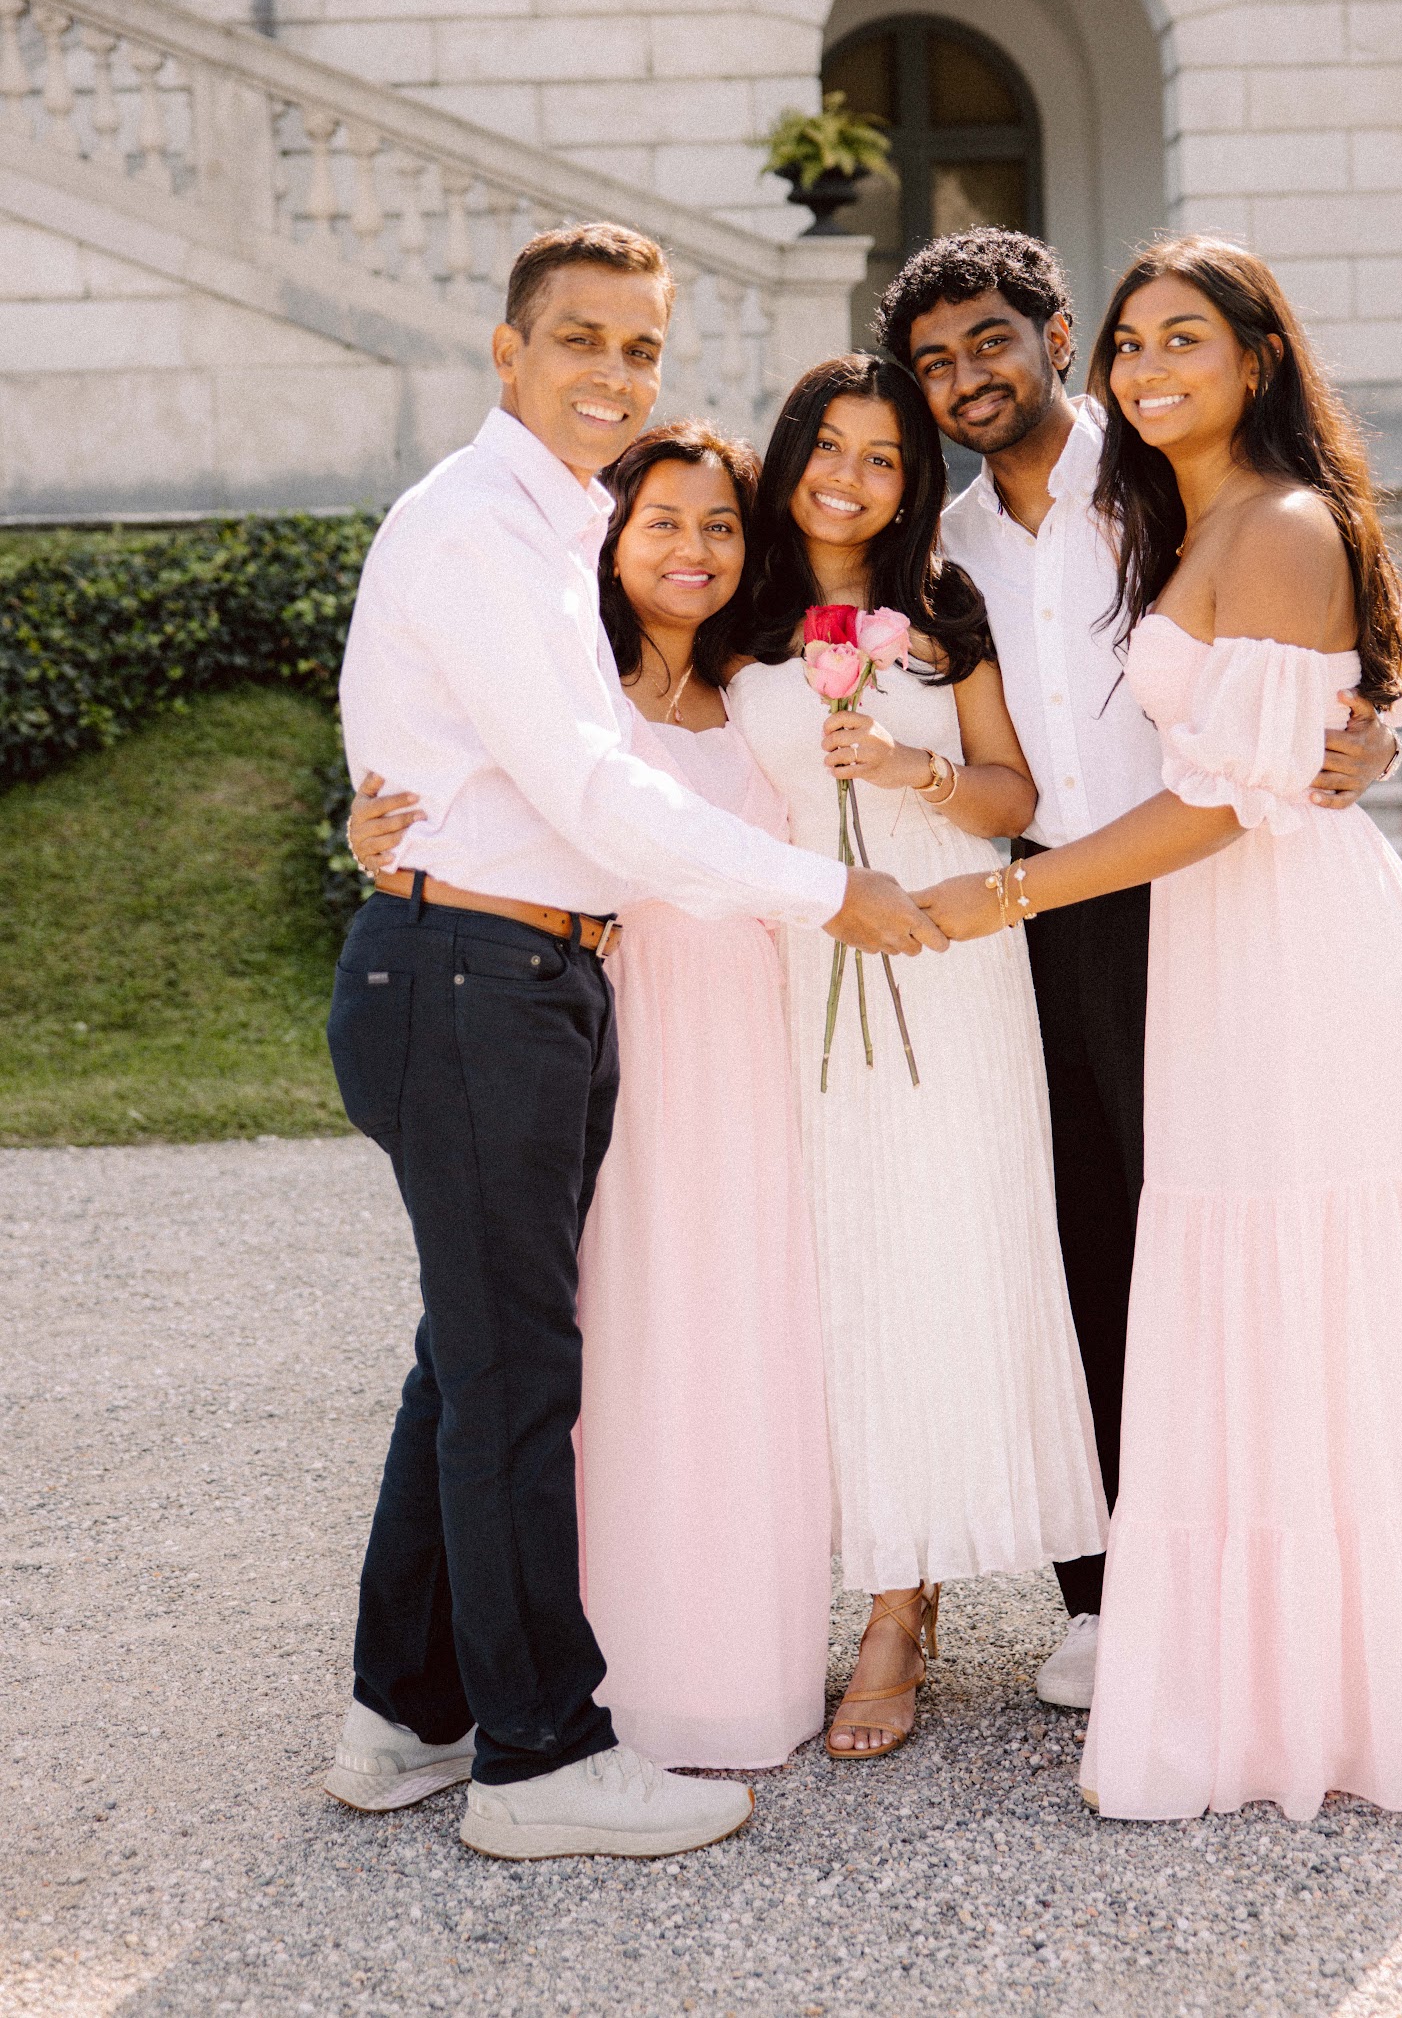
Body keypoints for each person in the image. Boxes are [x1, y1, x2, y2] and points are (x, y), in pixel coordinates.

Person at [919, 236, 1402, 1820]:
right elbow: (1320, 672)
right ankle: (1198, 1626)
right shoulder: (1064, 522)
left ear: (1255, 356)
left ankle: (1338, 1669)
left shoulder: (1244, 509)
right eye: (1138, 344)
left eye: (1179, 341)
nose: (1148, 370)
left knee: (1288, 1268)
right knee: (1150, 1257)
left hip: (1247, 918)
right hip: (1160, 914)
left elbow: (1273, 745)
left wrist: (1371, 737)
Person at [320, 224, 943, 1862]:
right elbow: (594, 793)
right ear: (508, 351)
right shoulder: (481, 529)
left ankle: (404, 1714)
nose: (614, 374)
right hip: (473, 972)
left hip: (511, 969)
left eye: (642, 348)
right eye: (580, 340)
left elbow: (490, 756)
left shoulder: (553, 527)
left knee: (473, 1359)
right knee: (515, 1376)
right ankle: (540, 1761)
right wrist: (830, 893)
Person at [883, 227, 1397, 1710]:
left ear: (1058, 339)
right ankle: (1107, 1596)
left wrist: (1376, 731)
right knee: (1081, 1239)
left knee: (1229, 1234)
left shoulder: (1172, 470)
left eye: (992, 341)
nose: (968, 379)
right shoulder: (943, 547)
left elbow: (1347, 628)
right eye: (936, 364)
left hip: (1211, 896)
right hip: (1047, 913)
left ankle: (1267, 1568)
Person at [351, 420, 833, 1775]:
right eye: (662, 521)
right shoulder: (574, 694)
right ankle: (576, 1676)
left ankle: (737, 1655)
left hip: (747, 1063)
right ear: (608, 543)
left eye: (721, 525)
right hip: (599, 1034)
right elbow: (473, 796)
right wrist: (379, 836)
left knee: (738, 1337)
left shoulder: (768, 697)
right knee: (575, 1346)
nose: (694, 550)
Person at [725, 352, 1105, 1761]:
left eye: (882, 456)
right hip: (798, 979)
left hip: (954, 971)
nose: (849, 477)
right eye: (827, 447)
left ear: (913, 481)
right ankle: (876, 1579)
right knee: (841, 1274)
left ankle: (907, 1600)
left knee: (949, 1257)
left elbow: (1013, 797)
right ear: (787, 457)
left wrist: (908, 769)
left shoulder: (946, 610)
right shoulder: (731, 615)